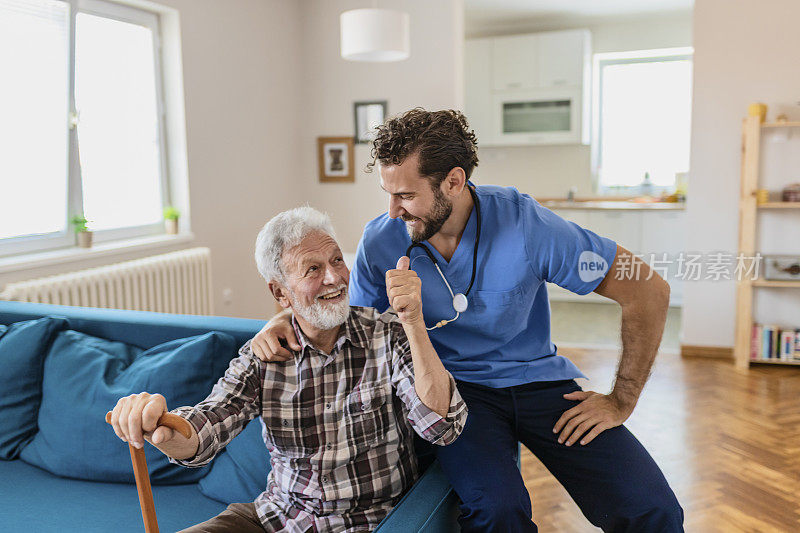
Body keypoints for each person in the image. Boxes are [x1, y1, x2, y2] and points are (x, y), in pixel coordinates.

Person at [251, 109, 684, 532]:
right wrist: (286, 317)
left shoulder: (526, 224)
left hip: (537, 382)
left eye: (405, 195)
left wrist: (621, 399)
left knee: (651, 508)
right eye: (387, 193)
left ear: (454, 182)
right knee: (497, 512)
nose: (392, 211)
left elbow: (648, 290)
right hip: (453, 393)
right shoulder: (381, 239)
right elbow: (355, 323)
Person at [108, 206, 467, 532]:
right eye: (313, 269)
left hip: (369, 520)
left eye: (337, 260)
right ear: (280, 293)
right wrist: (162, 425)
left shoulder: (387, 334)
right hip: (278, 520)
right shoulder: (263, 355)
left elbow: (443, 427)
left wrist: (414, 320)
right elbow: (206, 430)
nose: (334, 278)